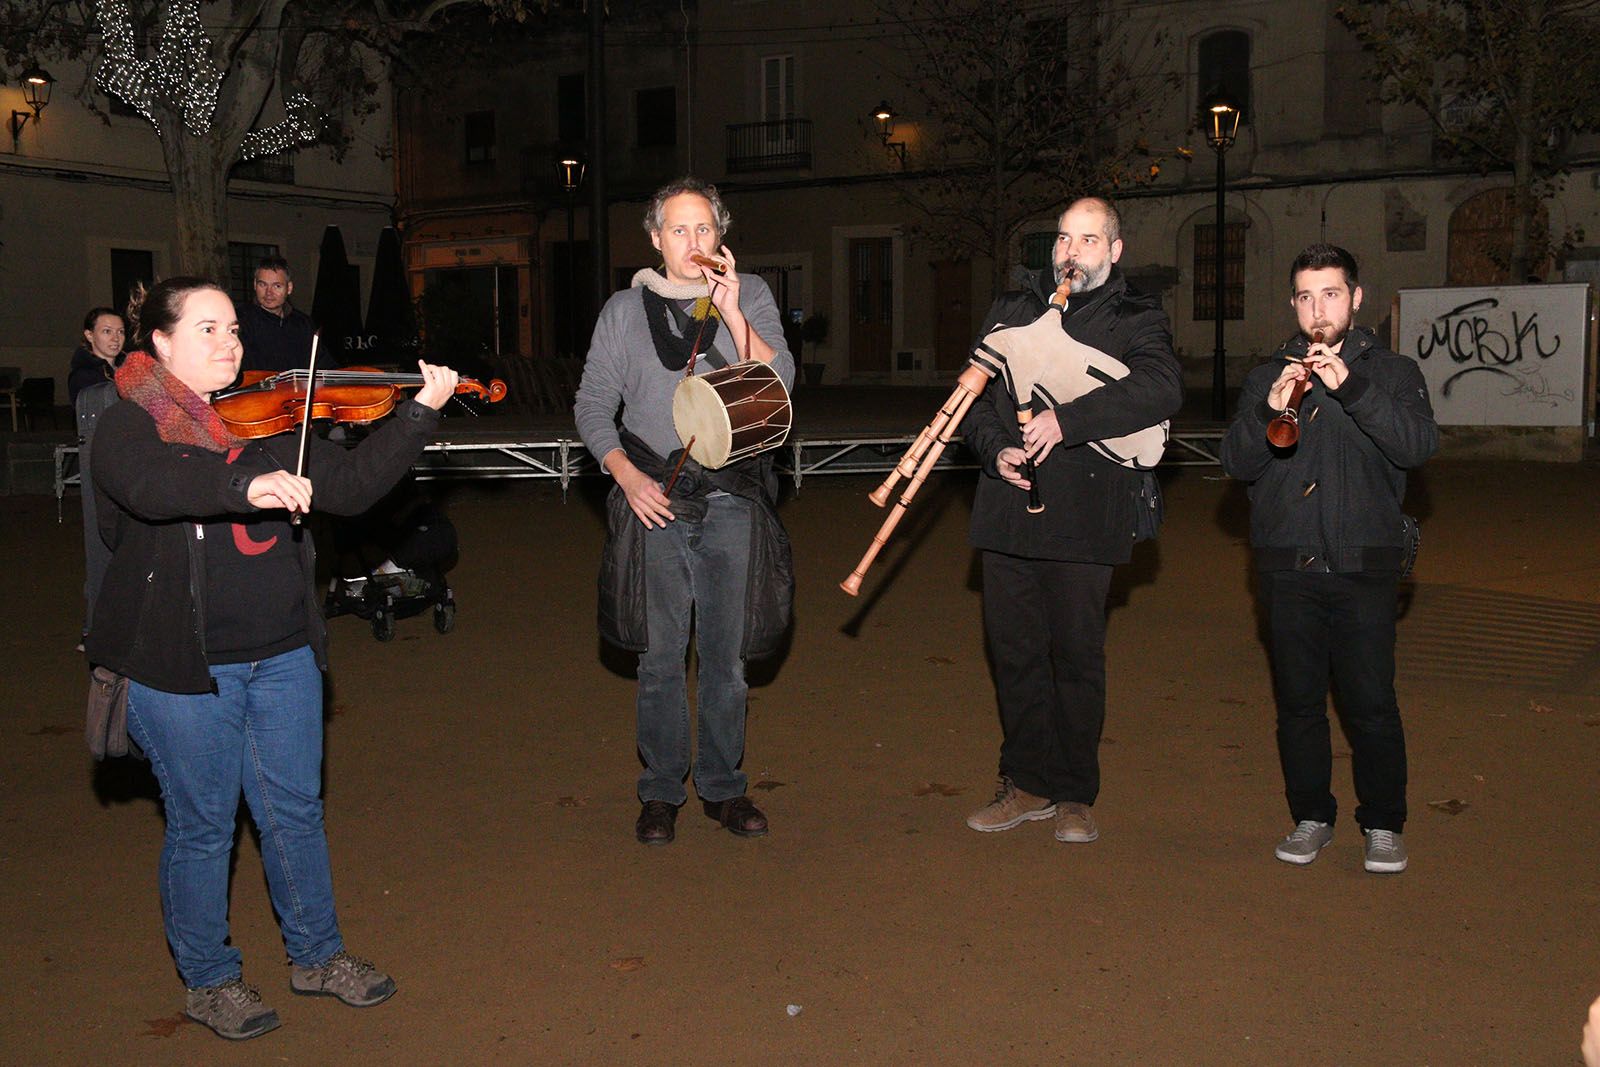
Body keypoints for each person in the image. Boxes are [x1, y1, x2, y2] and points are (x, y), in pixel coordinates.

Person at [87, 276, 459, 1040]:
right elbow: (152, 484)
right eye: (209, 328)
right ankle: (210, 979)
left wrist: (419, 414)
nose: (230, 342)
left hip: (284, 652)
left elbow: (351, 486)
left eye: (233, 329)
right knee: (203, 827)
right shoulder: (129, 425)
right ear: (159, 341)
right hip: (183, 665)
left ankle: (318, 956)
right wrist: (243, 480)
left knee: (295, 812)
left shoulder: (269, 419)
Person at [574, 177, 795, 846]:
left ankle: (724, 788)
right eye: (678, 229)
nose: (692, 242)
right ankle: (661, 791)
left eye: (704, 229)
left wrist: (731, 313)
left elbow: (779, 384)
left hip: (734, 494)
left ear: (720, 236)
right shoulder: (621, 310)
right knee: (662, 655)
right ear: (654, 238)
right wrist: (627, 477)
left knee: (727, 657)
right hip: (655, 498)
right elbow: (591, 408)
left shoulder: (750, 295)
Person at [961, 196, 1182, 844]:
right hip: (1008, 512)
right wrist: (992, 445)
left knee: (1076, 657)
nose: (1070, 251)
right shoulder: (1012, 308)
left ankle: (1074, 793)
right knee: (1016, 653)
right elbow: (972, 399)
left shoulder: (1136, 316)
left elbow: (1163, 386)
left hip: (1086, 516)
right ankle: (1025, 782)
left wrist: (1069, 419)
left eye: (1088, 240)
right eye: (1063, 238)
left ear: (1114, 252)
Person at [1220, 243, 1437, 874]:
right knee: (1298, 704)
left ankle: (1384, 823)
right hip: (1288, 563)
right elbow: (1237, 463)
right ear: (1294, 303)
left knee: (1371, 702)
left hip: (1364, 561)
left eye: (1331, 294)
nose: (1319, 310)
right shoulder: (1268, 375)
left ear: (1355, 298)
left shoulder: (1393, 372)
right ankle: (1310, 815)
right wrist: (1270, 408)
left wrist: (1357, 391)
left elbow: (1419, 446)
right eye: (1307, 297)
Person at [237, 255, 316, 373]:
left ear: (289, 288)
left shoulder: (303, 323)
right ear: (254, 285)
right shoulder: (240, 322)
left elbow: (322, 363)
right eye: (262, 285)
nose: (269, 293)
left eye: (277, 286)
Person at [68, 307, 125, 404]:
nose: (116, 338)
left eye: (120, 332)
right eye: (107, 331)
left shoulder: (131, 369)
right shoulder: (83, 377)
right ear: (90, 335)